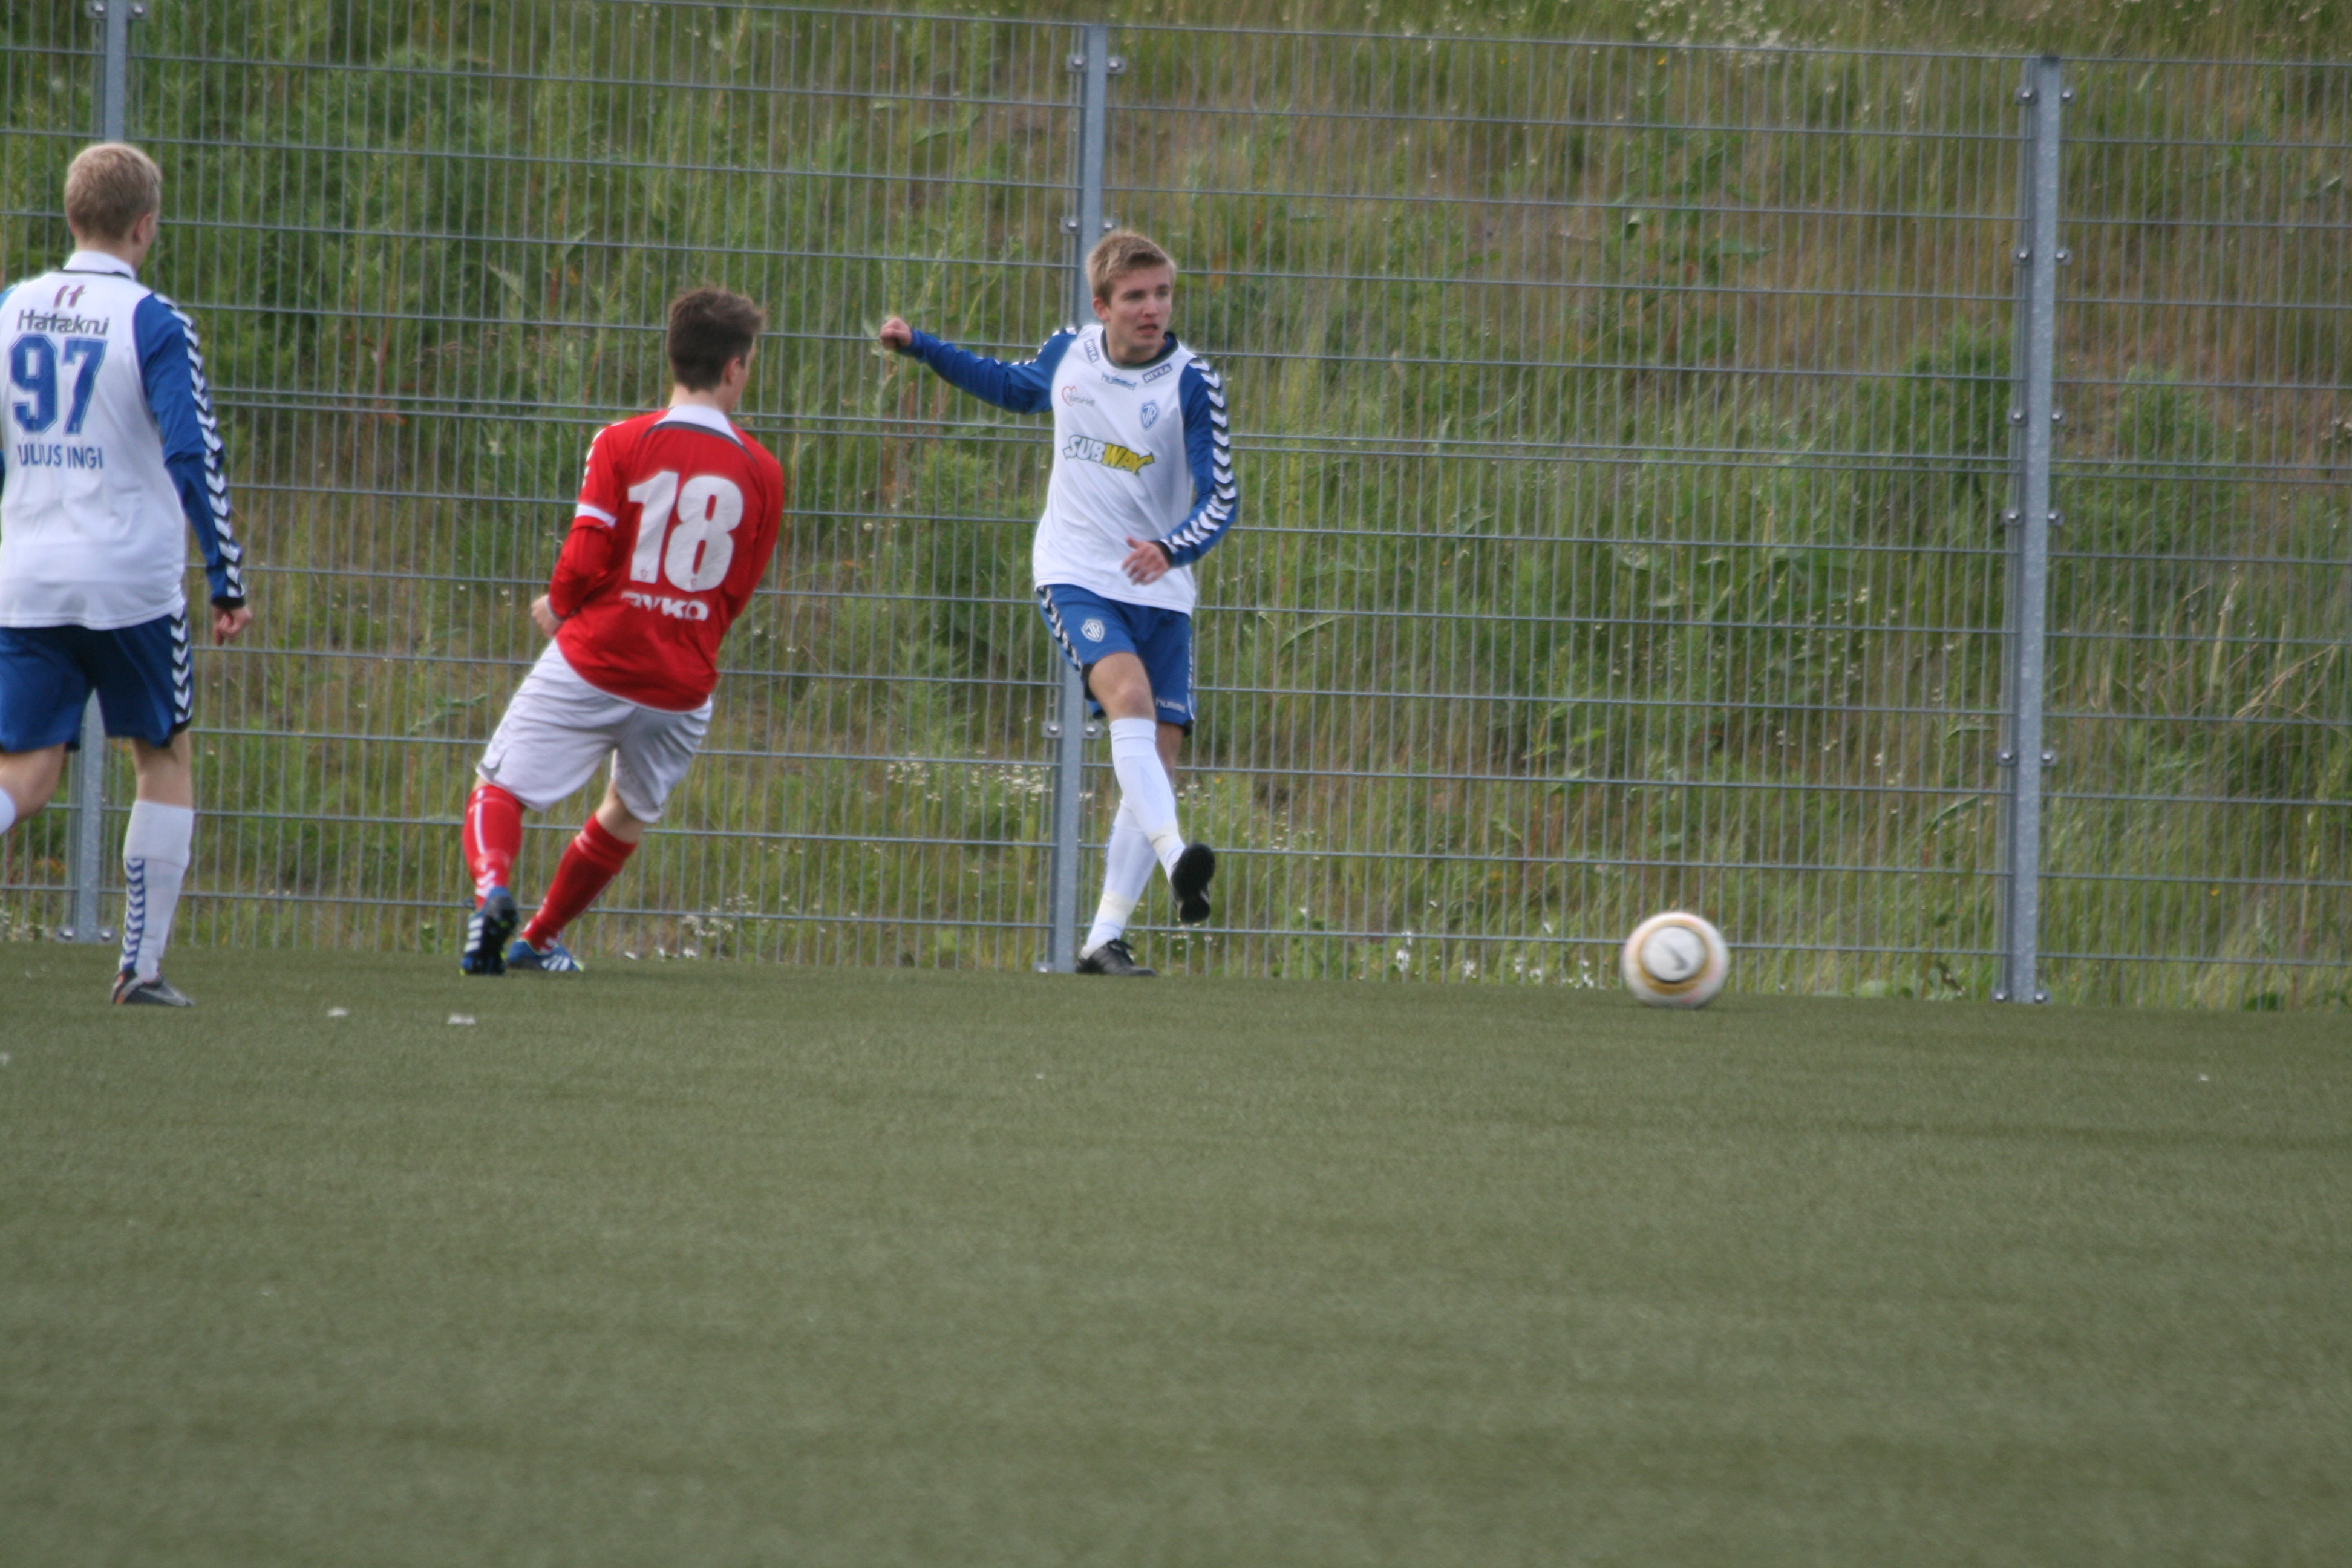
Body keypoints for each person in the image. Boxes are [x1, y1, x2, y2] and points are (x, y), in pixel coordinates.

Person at [880, 230, 1238, 977]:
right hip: (1075, 572)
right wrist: (922, 347)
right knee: (1129, 698)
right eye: (1135, 297)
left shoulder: (1192, 382)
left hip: (1160, 584)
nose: (1152, 309)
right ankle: (1178, 856)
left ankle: (1104, 939)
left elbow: (1221, 499)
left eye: (1162, 294)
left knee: (1159, 753)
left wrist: (1169, 549)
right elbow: (1009, 386)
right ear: (1102, 306)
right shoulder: (1069, 353)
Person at [459, 287, 785, 975]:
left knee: (500, 787)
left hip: (597, 657)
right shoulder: (764, 471)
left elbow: (586, 551)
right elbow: (738, 589)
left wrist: (561, 605)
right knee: (628, 812)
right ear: (734, 368)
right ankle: (539, 940)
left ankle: (492, 895)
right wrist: (688, 628)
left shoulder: (621, 441)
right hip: (681, 683)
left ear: (674, 358)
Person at [0, 143, 250, 1007]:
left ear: (71, 216)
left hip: (27, 577)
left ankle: (140, 965)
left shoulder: (12, 309)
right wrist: (226, 575)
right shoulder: (154, 321)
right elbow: (191, 450)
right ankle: (139, 967)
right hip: (131, 584)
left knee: (25, 774)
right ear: (145, 226)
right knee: (163, 752)